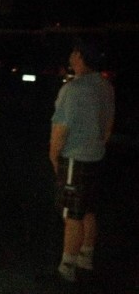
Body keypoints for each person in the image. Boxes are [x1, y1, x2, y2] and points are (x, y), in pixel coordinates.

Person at [50, 38, 115, 282]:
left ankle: (67, 267)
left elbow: (61, 129)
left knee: (72, 216)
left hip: (75, 158)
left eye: (74, 52)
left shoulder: (73, 89)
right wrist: (97, 145)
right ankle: (86, 257)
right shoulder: (105, 86)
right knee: (88, 209)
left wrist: (53, 155)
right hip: (95, 156)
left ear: (79, 56)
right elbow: (108, 125)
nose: (71, 56)